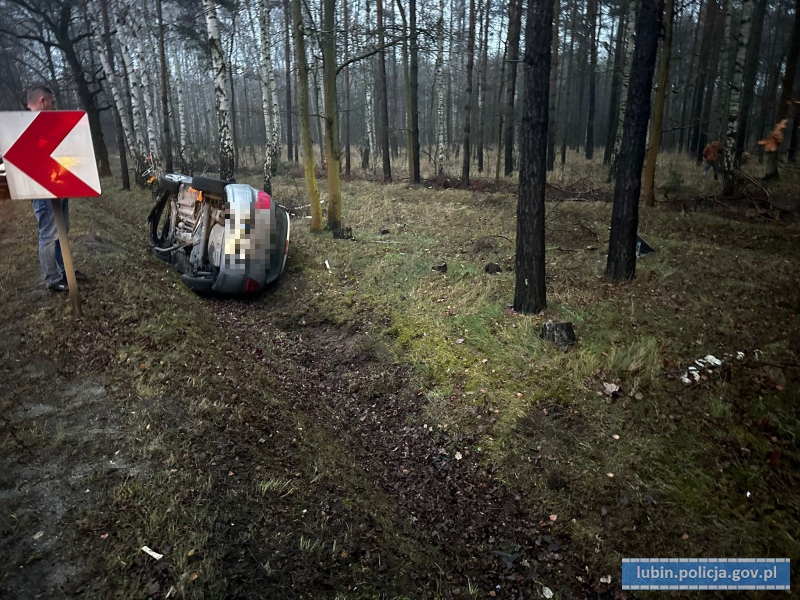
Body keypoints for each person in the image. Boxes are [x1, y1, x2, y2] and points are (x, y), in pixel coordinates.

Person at [26, 83, 74, 292]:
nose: (54, 108)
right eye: (52, 103)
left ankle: (66, 271)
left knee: (62, 229)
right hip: (41, 189)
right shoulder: (23, 126)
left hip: (59, 185)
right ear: (42, 101)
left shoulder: (47, 124)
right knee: (48, 233)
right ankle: (52, 280)